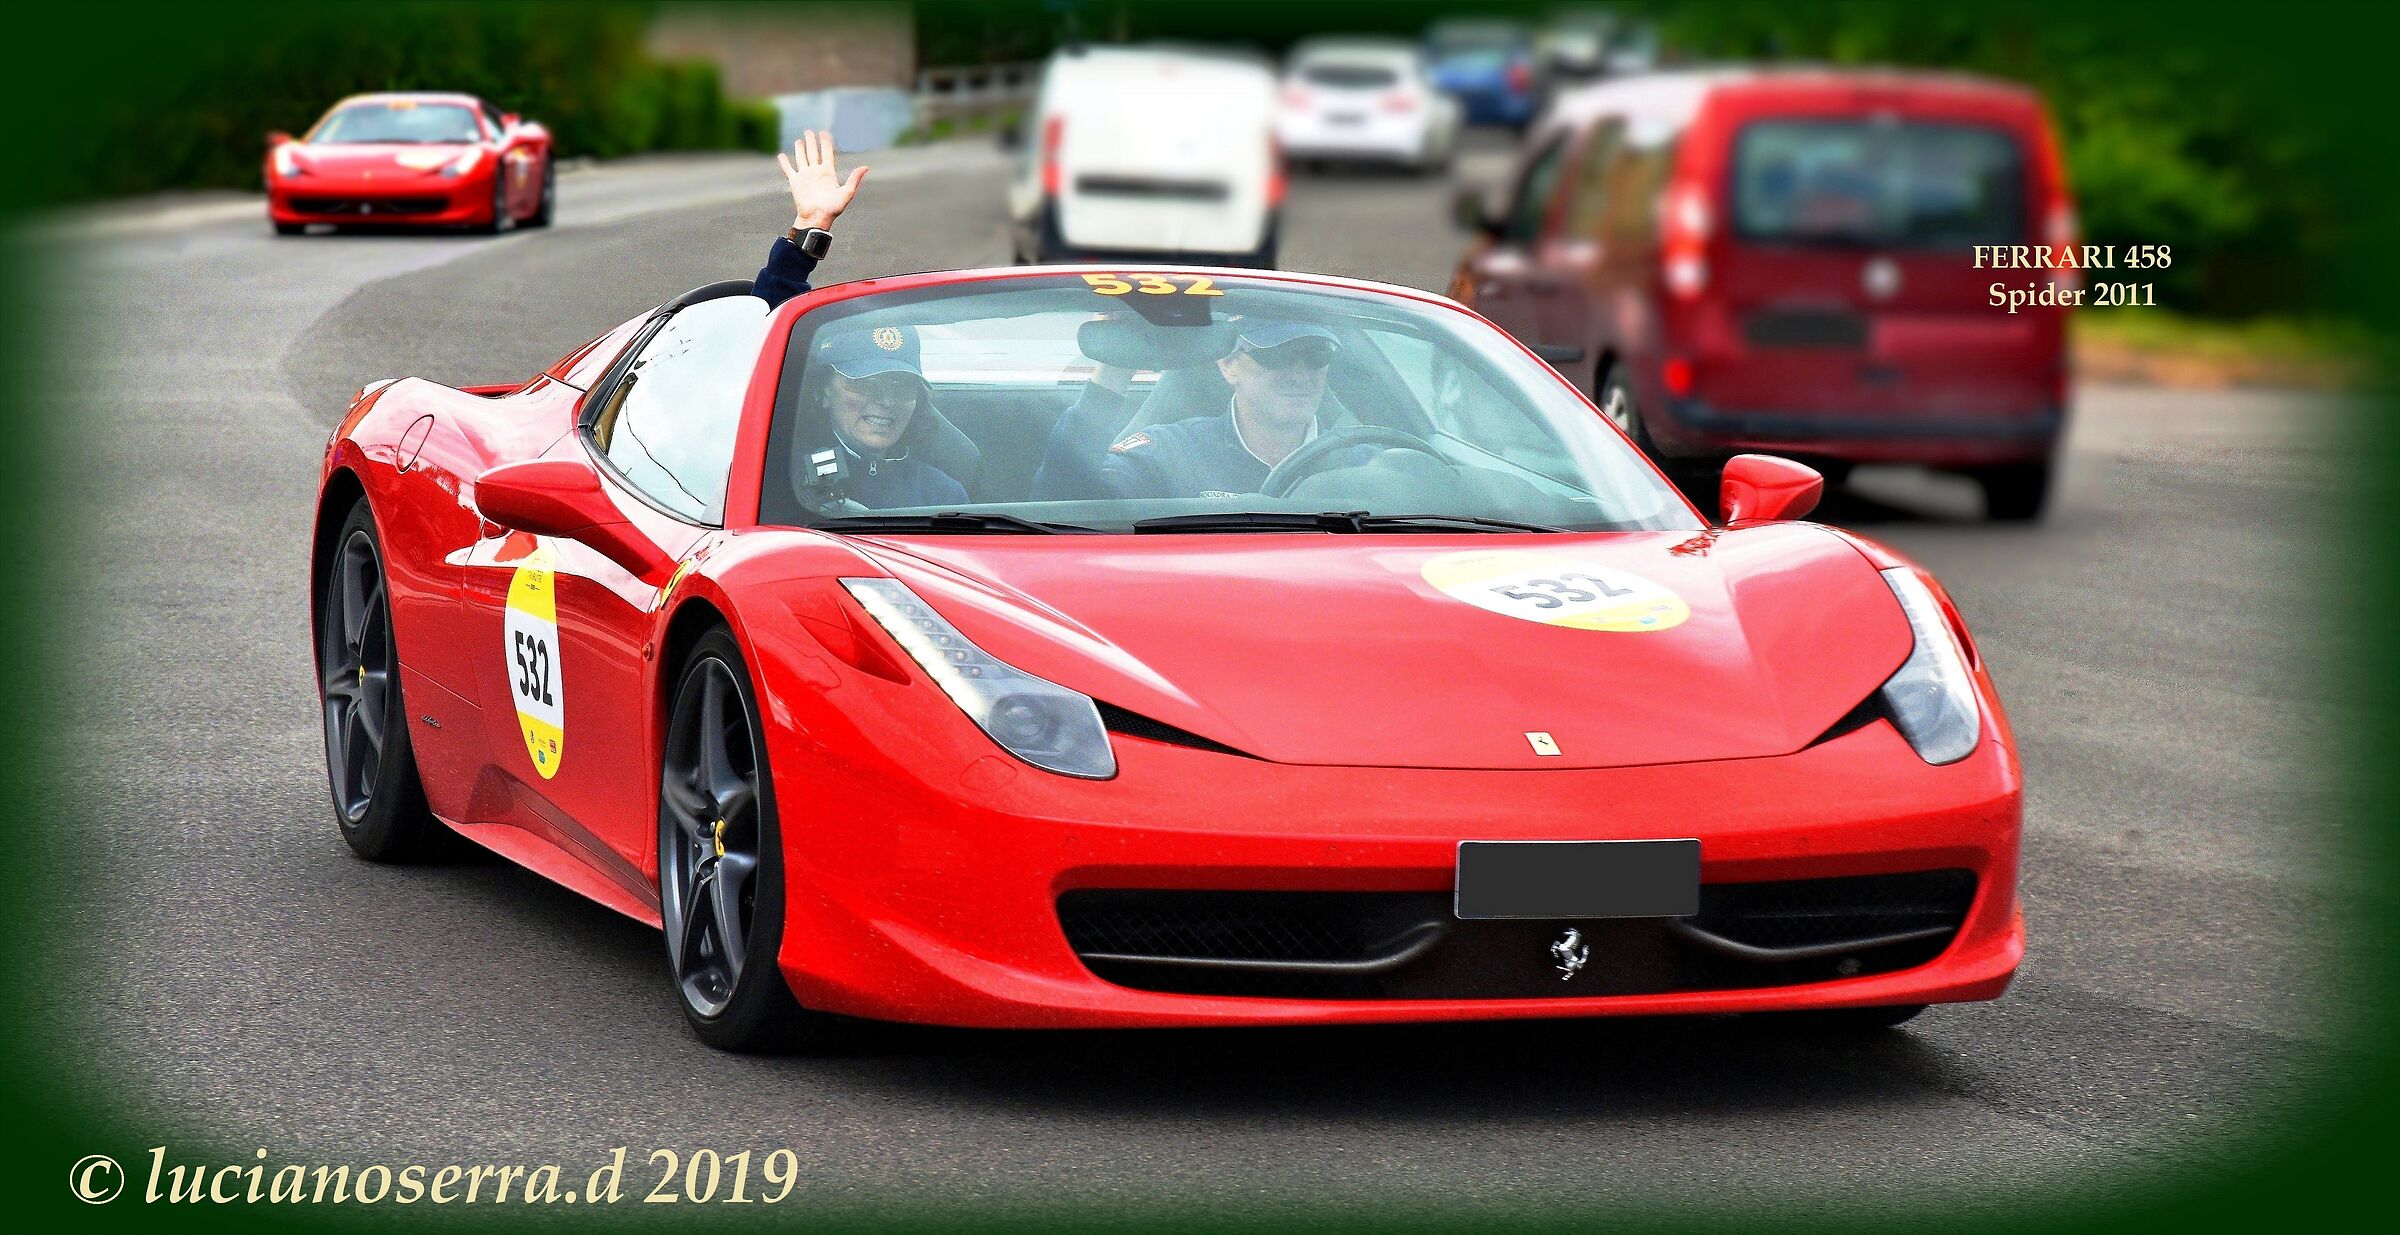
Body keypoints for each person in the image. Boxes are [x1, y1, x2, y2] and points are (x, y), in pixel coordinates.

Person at [752, 131, 965, 510]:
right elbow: (761, 349)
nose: (884, 402)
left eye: (901, 386)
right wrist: (809, 229)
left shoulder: (943, 492)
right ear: (824, 390)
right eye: (863, 383)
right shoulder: (778, 466)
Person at [1030, 320, 1347, 501]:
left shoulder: (1366, 464)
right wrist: (1113, 372)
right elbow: (1058, 500)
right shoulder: (1167, 455)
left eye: (1316, 355)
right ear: (1229, 365)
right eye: (1277, 355)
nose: (1300, 373)